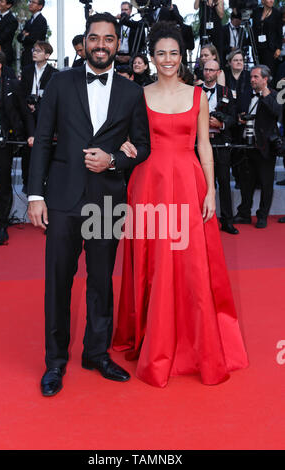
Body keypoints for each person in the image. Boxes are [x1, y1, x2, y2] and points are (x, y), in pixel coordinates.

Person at [113, 21, 248, 388]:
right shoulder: (137, 95)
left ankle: (194, 342)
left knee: (190, 264)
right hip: (149, 185)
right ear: (151, 57)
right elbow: (131, 141)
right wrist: (124, 148)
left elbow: (204, 144)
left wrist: (211, 191)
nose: (168, 59)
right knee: (154, 261)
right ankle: (151, 338)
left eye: (174, 53)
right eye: (161, 53)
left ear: (181, 56)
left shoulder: (197, 95)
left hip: (189, 184)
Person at [27, 13, 151, 397]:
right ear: (84, 43)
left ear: (118, 44)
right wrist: (35, 196)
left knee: (101, 280)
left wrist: (114, 160)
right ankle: (55, 362)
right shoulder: (60, 83)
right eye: (94, 38)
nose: (101, 45)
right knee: (58, 282)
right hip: (63, 197)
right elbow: (43, 137)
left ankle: (96, 353)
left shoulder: (132, 93)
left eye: (109, 39)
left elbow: (143, 145)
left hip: (107, 201)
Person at [234, 65, 282, 229]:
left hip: (265, 147)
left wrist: (266, 93)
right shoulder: (246, 94)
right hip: (247, 145)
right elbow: (238, 110)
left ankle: (262, 215)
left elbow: (277, 112)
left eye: (256, 77)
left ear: (265, 79)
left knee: (266, 183)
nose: (252, 80)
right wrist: (240, 117)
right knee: (246, 183)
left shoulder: (275, 95)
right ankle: (244, 213)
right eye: (251, 77)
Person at [0, 50, 25, 248]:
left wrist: (29, 134)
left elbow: (23, 112)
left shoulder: (11, 85)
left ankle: (2, 227)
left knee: (4, 185)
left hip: (3, 144)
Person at [201, 59, 238, 235]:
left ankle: (227, 221)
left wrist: (220, 124)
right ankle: (201, 220)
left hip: (221, 143)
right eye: (206, 69)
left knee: (224, 182)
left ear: (218, 72)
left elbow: (233, 117)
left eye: (211, 70)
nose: (208, 73)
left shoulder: (226, 92)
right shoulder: (195, 91)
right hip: (201, 143)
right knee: (203, 185)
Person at [20, 41, 58, 193]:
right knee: (27, 152)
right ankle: (26, 183)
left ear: (47, 55)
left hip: (44, 115)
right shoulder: (27, 70)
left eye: (39, 51)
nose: (34, 53)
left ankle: (45, 182)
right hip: (27, 115)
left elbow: (53, 96)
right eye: (34, 50)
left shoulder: (54, 73)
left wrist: (39, 105)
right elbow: (22, 91)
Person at [225, 49, 252, 189]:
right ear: (230, 63)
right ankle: (237, 177)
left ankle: (246, 179)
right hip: (230, 118)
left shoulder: (249, 76)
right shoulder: (225, 76)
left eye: (241, 60)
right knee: (233, 150)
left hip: (246, 118)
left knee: (246, 150)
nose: (239, 62)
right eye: (236, 60)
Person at [252, 0, 282, 83]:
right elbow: (253, 28)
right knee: (258, 70)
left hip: (270, 48)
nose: (272, 1)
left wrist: (279, 48)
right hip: (258, 47)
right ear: (263, 1)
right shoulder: (256, 12)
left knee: (268, 72)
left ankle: (269, 92)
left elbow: (279, 32)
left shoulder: (277, 13)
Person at [17, 0, 47, 67]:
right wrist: (25, 35)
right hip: (26, 56)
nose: (30, 4)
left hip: (35, 57)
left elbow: (34, 39)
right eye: (30, 2)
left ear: (40, 6)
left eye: (33, 2)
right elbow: (19, 37)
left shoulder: (42, 20)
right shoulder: (29, 21)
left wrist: (24, 35)